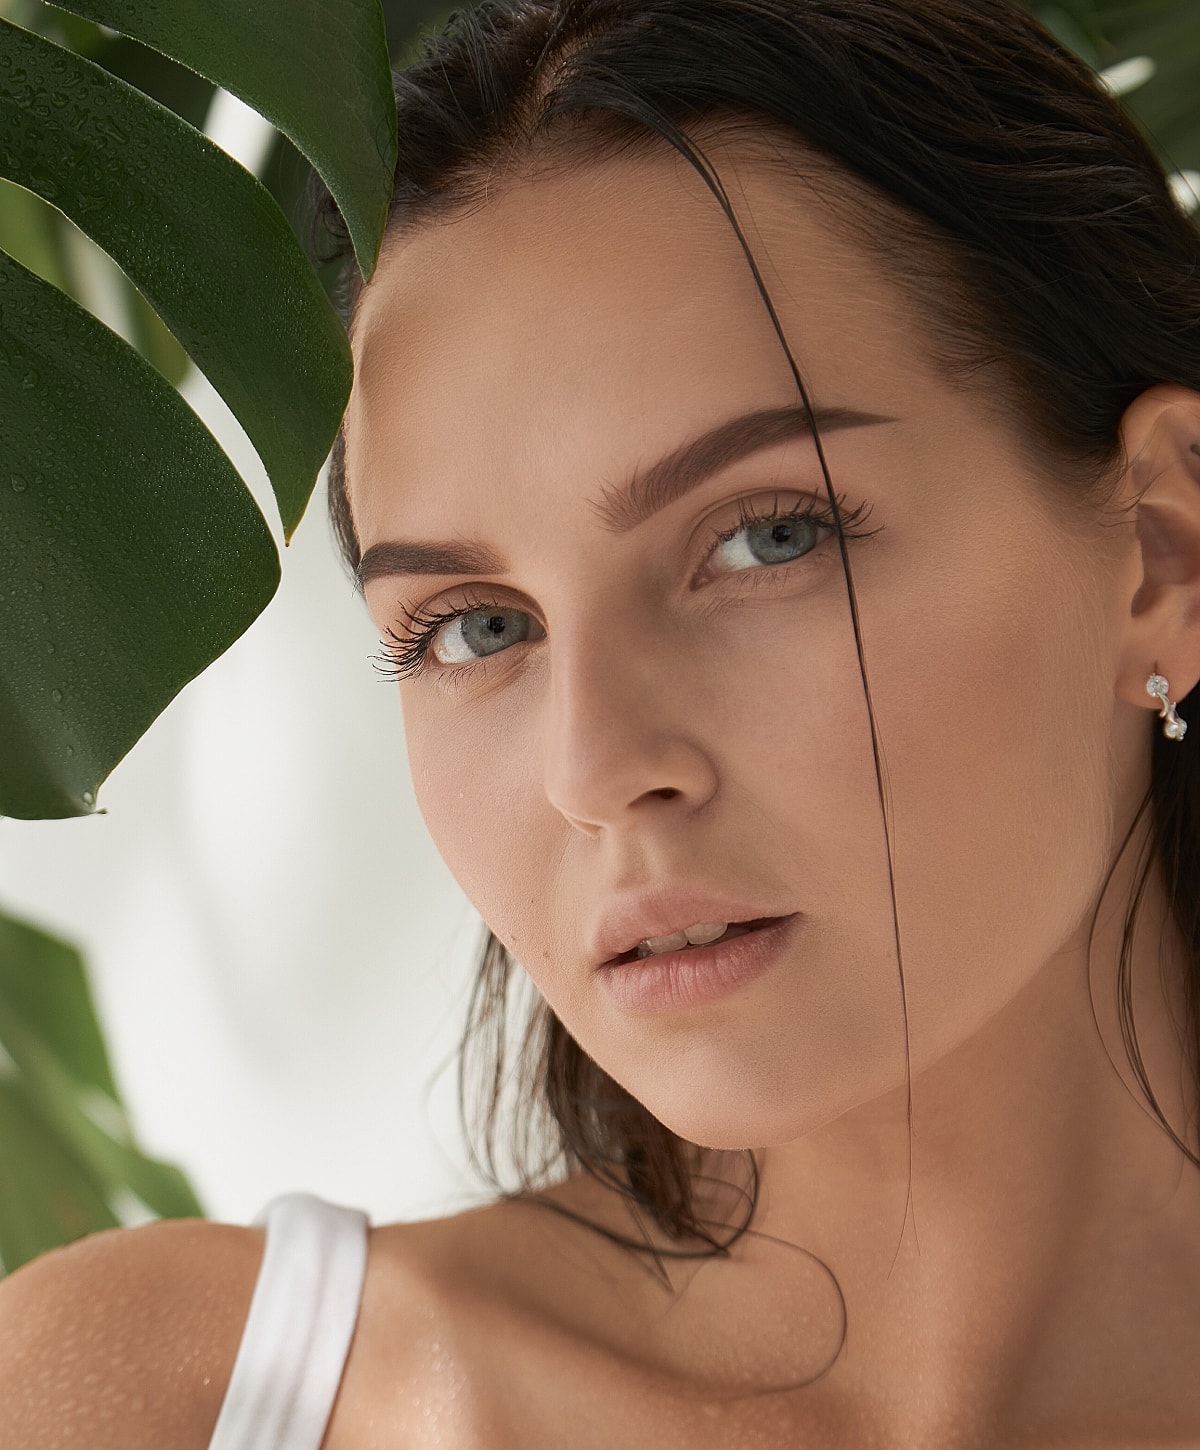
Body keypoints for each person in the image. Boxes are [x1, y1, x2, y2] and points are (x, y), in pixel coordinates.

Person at [5, 0, 1200, 1443]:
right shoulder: (165, 1396)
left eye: (766, 537)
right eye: (475, 627)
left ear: (1162, 549)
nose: (596, 768)